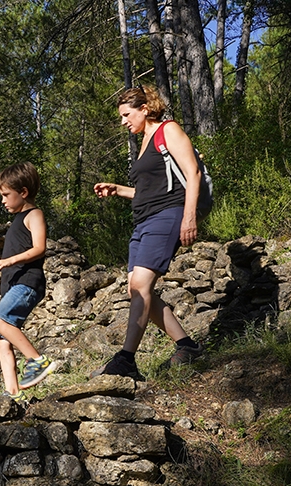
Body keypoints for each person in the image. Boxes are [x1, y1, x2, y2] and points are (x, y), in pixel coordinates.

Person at [91, 86, 204, 379]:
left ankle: (126, 360)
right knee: (136, 289)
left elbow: (193, 173)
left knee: (140, 286)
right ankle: (187, 345)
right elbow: (148, 189)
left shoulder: (169, 130)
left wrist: (189, 217)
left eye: (126, 114)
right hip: (142, 221)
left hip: (167, 216)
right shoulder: (143, 142)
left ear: (145, 108)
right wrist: (117, 190)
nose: (123, 121)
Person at [0, 161, 56, 401]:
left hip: (27, 282)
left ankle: (38, 360)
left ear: (23, 192)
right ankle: (12, 393)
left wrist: (8, 261)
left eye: (6, 195)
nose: (3, 200)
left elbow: (39, 248)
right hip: (12, 286)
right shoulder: (16, 219)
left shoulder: (34, 214)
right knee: (0, 340)